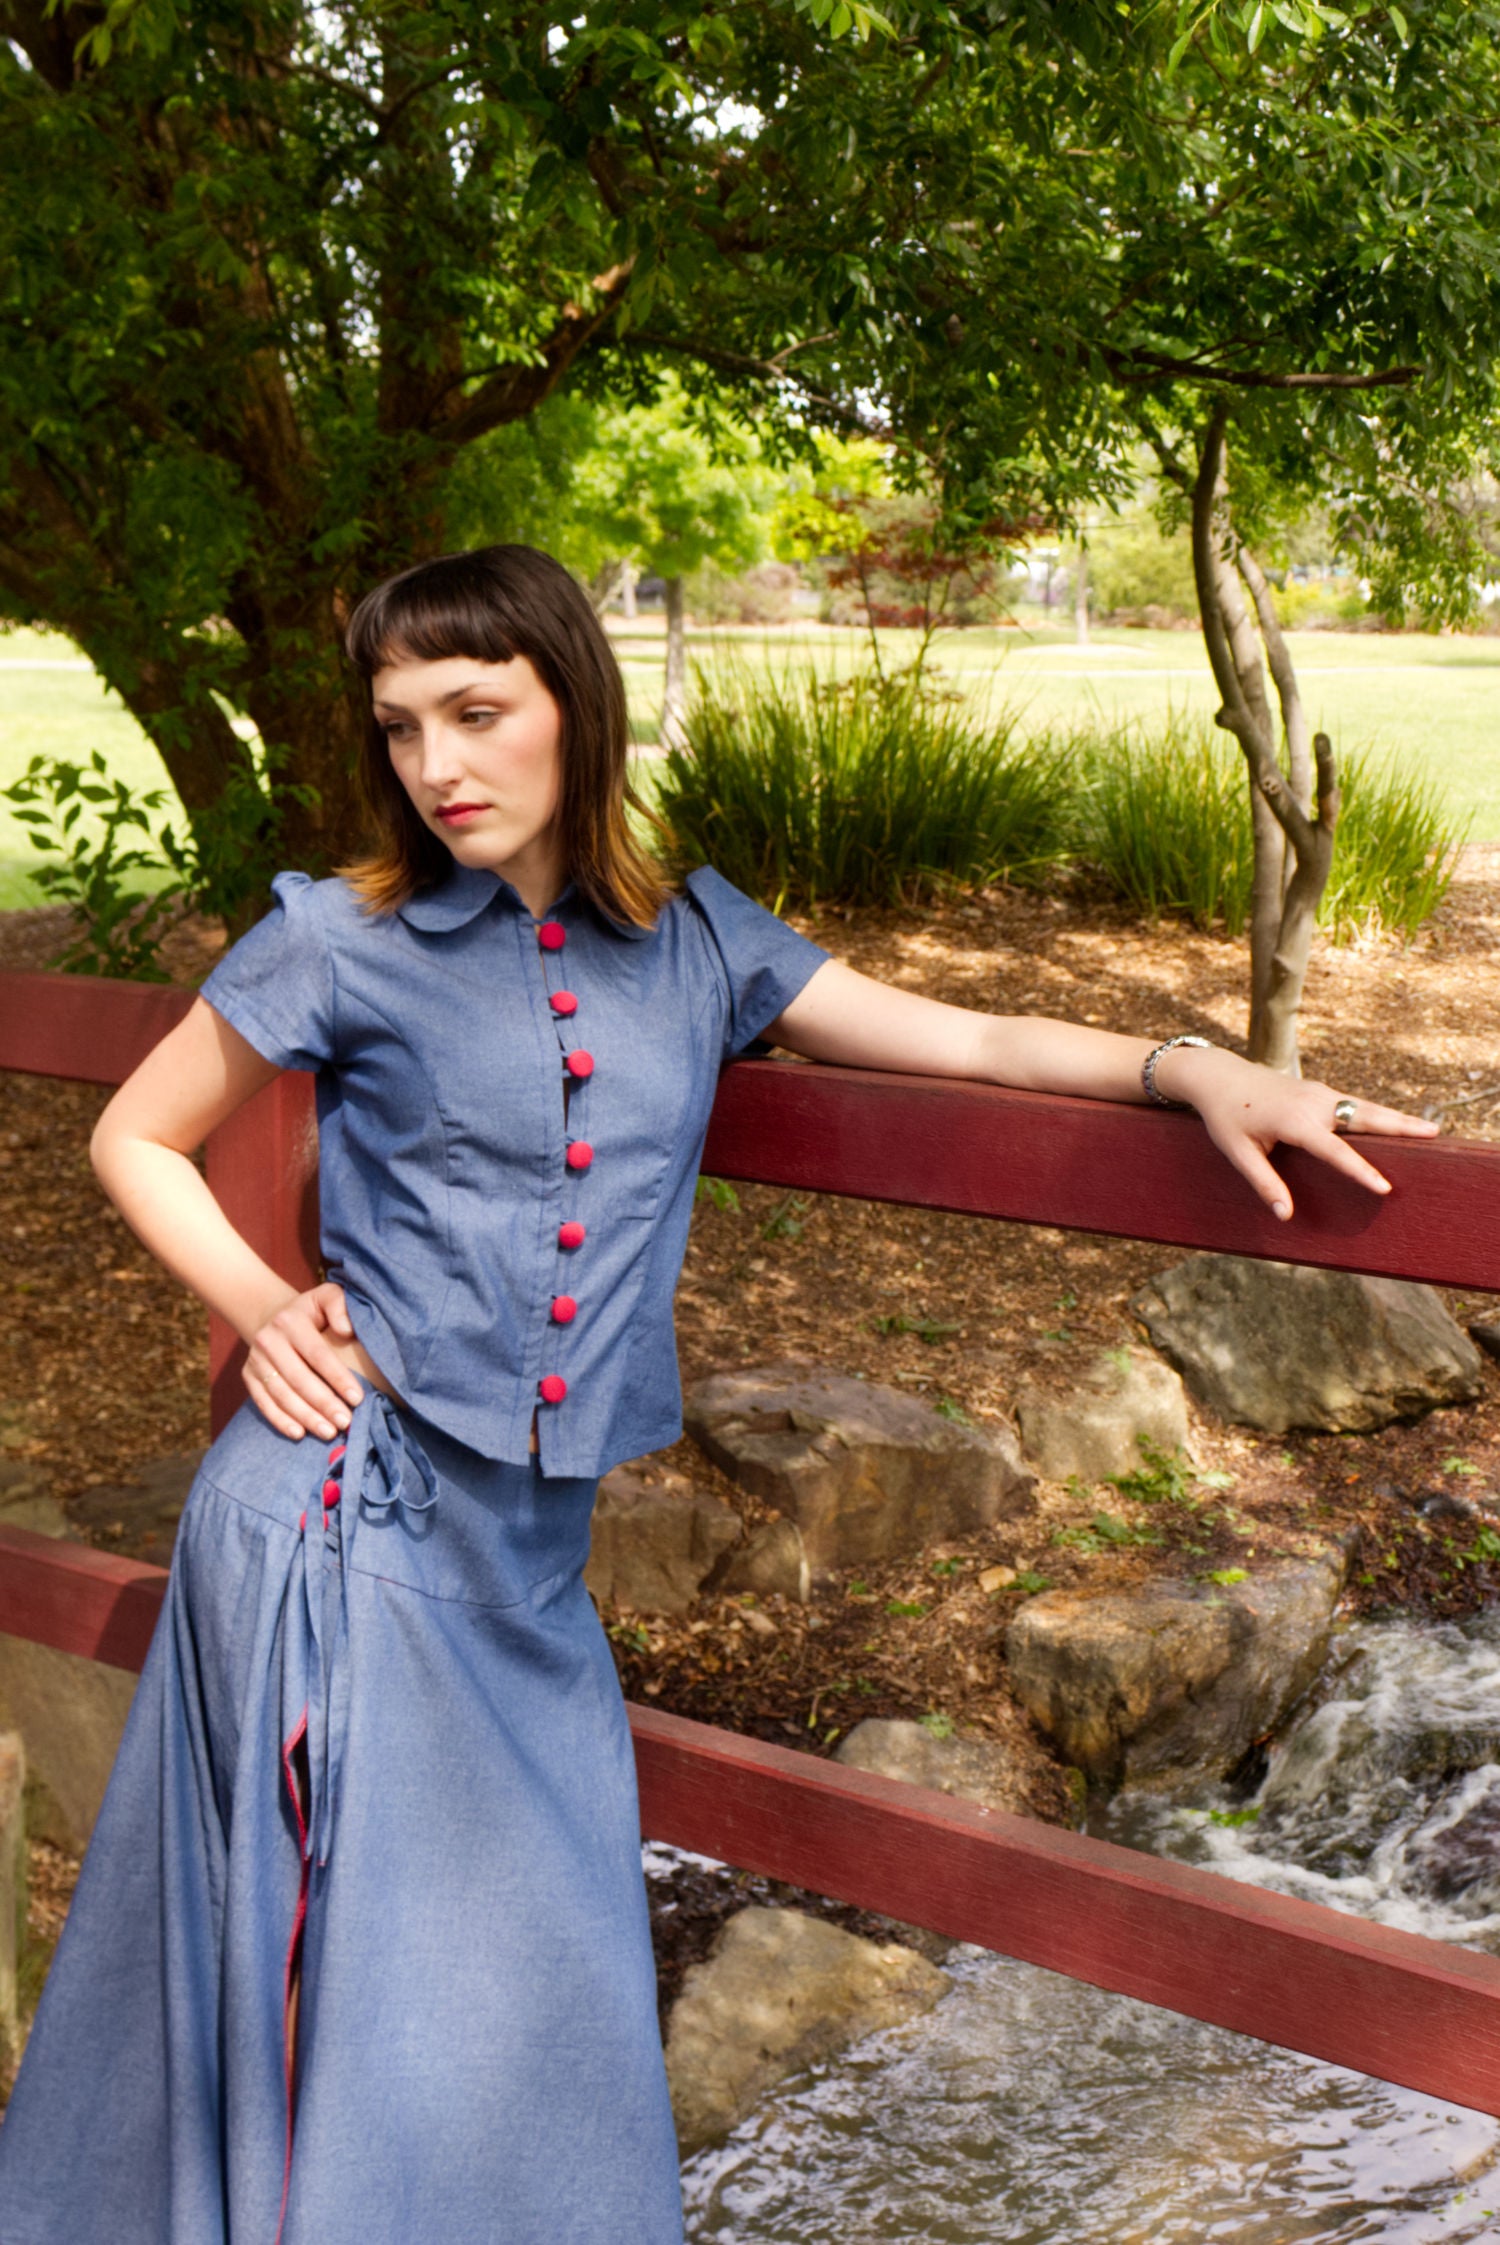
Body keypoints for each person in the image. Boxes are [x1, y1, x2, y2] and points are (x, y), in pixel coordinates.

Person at [0, 545, 1435, 2245]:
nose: (438, 766)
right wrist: (264, 1308)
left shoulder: (699, 941)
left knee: (528, 2019)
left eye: (478, 712)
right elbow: (134, 1133)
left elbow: (965, 1044)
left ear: (573, 705)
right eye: (402, 729)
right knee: (347, 2032)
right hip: (335, 1533)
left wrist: (1187, 1065)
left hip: (520, 1575)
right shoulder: (343, 934)